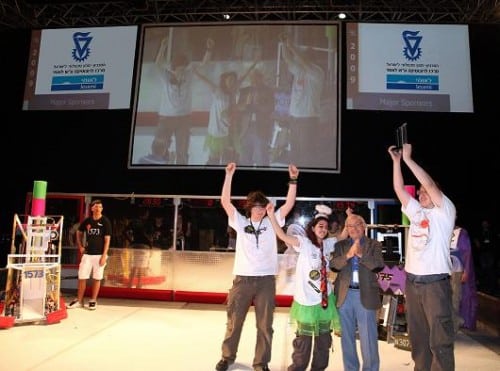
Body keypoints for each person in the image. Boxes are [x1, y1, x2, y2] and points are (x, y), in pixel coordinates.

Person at [215, 162, 299, 371]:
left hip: (266, 281)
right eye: (257, 207)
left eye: (263, 206)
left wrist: (293, 180)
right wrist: (229, 175)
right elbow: (225, 201)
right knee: (234, 322)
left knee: (265, 325)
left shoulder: (272, 221)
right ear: (250, 207)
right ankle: (227, 357)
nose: (260, 210)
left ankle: (261, 363)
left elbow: (289, 204)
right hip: (242, 279)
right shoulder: (241, 222)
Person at [388, 143, 456, 371]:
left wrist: (408, 159)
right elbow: (399, 190)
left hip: (435, 283)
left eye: (426, 191)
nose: (421, 192)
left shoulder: (445, 211)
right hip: (413, 282)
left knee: (440, 339)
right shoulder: (417, 212)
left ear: (438, 194)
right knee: (418, 338)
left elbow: (427, 182)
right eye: (419, 191)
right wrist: (396, 162)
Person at [266, 203, 343, 371]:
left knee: (323, 342)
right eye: (320, 226)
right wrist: (271, 216)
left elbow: (343, 235)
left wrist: (350, 216)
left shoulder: (329, 244)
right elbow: (281, 235)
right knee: (303, 344)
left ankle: (318, 368)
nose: (323, 229)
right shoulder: (304, 243)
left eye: (325, 227)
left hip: (325, 301)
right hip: (306, 302)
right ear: (313, 228)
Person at [139, 37, 213, 165]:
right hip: (166, 118)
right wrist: (162, 47)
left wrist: (209, 49)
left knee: (182, 150)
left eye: (184, 69)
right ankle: (159, 165)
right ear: (174, 69)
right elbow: (157, 64)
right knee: (159, 146)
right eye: (179, 69)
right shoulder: (166, 76)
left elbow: (204, 64)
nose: (182, 72)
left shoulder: (189, 75)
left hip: (184, 118)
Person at [330, 213, 385, 371]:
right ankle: (351, 368)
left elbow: (378, 265)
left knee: (368, 338)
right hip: (344, 296)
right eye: (349, 226)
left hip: (365, 295)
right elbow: (334, 265)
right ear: (346, 229)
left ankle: (371, 368)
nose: (353, 228)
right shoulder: (340, 246)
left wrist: (360, 253)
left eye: (356, 225)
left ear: (364, 226)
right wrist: (348, 255)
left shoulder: (374, 244)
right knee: (347, 338)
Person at [279, 32, 324, 168]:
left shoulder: (317, 72)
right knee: (295, 153)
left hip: (308, 120)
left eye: (301, 55)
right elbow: (287, 59)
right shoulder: (299, 71)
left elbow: (301, 60)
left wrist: (292, 47)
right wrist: (283, 45)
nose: (297, 58)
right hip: (295, 119)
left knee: (307, 155)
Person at [67, 199, 112, 310]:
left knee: (97, 278)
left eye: (100, 207)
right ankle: (79, 300)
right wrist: (80, 247)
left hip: (99, 254)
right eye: (96, 206)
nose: (98, 208)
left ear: (102, 209)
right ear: (92, 208)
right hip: (87, 254)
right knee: (82, 277)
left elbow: (107, 240)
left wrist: (104, 256)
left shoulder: (105, 221)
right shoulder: (87, 221)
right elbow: (78, 232)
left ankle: (93, 300)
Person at [235, 69, 275, 166]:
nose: (254, 80)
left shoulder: (268, 91)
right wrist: (246, 103)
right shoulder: (245, 91)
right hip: (246, 129)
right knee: (245, 158)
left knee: (262, 158)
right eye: (252, 78)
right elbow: (239, 108)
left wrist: (257, 104)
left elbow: (270, 108)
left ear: (261, 78)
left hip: (261, 128)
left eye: (257, 78)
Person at [450, 224, 478, 331]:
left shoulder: (462, 233)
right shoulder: (442, 227)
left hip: (456, 269)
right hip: (443, 268)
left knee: (455, 297)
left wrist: (466, 270)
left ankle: (454, 324)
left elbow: (467, 253)